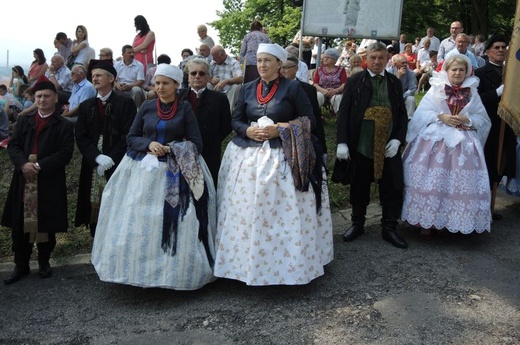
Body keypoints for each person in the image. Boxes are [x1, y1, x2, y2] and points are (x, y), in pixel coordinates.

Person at [214, 43, 333, 286]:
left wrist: (279, 129)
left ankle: (289, 264)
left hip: (283, 156)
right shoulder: (247, 89)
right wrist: (248, 130)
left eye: (268, 61)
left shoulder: (294, 88)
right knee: (247, 210)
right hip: (247, 155)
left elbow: (309, 120)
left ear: (279, 64)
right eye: (259, 61)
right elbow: (235, 120)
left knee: (280, 213)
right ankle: (242, 262)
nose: (262, 65)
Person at [91, 64, 216, 290]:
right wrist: (149, 143)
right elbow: (131, 137)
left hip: (176, 170)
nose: (160, 87)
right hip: (143, 169)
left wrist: (171, 149)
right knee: (137, 218)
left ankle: (174, 274)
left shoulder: (185, 109)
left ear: (177, 85)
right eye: (157, 83)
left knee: (182, 220)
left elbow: (197, 143)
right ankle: (135, 271)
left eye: (165, 83)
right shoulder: (147, 107)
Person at [401, 54, 491, 236]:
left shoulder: (472, 92)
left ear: (467, 72)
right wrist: (440, 116)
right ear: (447, 71)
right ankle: (425, 222)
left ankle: (456, 221)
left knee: (458, 184)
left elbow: (483, 119)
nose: (458, 73)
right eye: (454, 69)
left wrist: (468, 118)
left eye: (461, 70)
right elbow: (421, 114)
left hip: (463, 143)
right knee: (432, 180)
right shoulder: (436, 89)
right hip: (435, 141)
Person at [1, 76, 74, 285]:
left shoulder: (64, 125)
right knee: (20, 224)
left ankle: (44, 262)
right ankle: (20, 265)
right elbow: (13, 146)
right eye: (39, 96)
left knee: (46, 222)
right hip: (23, 177)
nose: (42, 100)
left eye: (47, 96)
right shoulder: (25, 120)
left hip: (48, 179)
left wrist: (39, 166)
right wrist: (23, 164)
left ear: (55, 99)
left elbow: (65, 153)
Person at [336, 42, 409, 249]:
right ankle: (357, 223)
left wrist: (397, 139)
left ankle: (389, 228)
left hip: (388, 142)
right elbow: (344, 113)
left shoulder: (394, 82)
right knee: (359, 183)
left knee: (392, 184)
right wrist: (342, 142)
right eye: (373, 57)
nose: (377, 61)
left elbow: (402, 114)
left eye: (381, 58)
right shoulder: (356, 81)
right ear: (366, 58)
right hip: (362, 141)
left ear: (387, 59)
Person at [75, 62, 137, 237]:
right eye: (93, 76)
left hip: (117, 162)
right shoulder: (86, 106)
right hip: (92, 163)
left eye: (99, 75)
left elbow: (129, 134)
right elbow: (81, 136)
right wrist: (96, 157)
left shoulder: (126, 103)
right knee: (93, 204)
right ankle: (95, 243)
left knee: (117, 204)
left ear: (111, 79)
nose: (94, 78)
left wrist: (112, 158)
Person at [475, 34, 514, 220]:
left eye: (503, 47)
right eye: (496, 47)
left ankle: (492, 205)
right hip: (489, 125)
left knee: (502, 164)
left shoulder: (513, 75)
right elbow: (477, 100)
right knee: (489, 165)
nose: (500, 50)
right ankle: (484, 207)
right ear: (488, 51)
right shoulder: (480, 74)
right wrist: (497, 92)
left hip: (507, 125)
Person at [178, 58, 232, 186]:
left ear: (208, 77)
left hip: (209, 150)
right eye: (193, 73)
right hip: (181, 150)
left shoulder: (220, 98)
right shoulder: (177, 97)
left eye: (202, 73)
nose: (197, 76)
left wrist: (211, 139)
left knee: (209, 185)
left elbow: (226, 126)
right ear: (188, 76)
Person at [282, 54, 328, 156]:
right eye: (281, 67)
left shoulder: (308, 89)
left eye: (286, 67)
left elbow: (315, 117)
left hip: (302, 137)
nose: (283, 70)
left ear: (296, 68)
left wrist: (322, 148)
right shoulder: (275, 88)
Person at [209, 45, 244, 112]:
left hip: (229, 92)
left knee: (236, 87)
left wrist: (226, 81)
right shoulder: (212, 63)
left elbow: (240, 79)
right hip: (214, 91)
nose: (213, 59)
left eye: (215, 57)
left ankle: (228, 114)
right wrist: (211, 79)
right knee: (207, 85)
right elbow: (205, 77)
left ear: (222, 55)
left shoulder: (233, 63)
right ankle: (209, 112)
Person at [313, 48, 347, 115]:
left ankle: (340, 119)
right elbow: (315, 84)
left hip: (336, 92)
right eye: (324, 57)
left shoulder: (341, 69)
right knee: (317, 97)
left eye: (328, 57)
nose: (325, 59)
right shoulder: (319, 69)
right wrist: (323, 91)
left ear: (334, 60)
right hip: (322, 91)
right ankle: (316, 117)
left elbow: (344, 84)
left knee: (337, 99)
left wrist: (335, 90)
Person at [387, 54, 417, 119]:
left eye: (406, 62)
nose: (405, 65)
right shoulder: (388, 72)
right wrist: (398, 78)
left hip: (404, 96)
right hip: (391, 97)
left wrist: (402, 97)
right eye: (403, 63)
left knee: (411, 99)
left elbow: (412, 89)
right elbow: (388, 88)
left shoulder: (411, 73)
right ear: (395, 64)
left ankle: (409, 119)